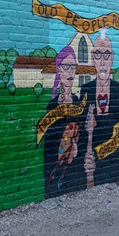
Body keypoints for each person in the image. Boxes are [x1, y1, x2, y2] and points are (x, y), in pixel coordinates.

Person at [79, 32, 119, 187]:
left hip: (115, 157)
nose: (102, 62)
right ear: (93, 58)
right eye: (98, 55)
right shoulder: (86, 90)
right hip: (93, 157)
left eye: (106, 55)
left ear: (112, 58)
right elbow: (82, 129)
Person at [42, 46, 85, 197]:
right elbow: (48, 144)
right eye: (66, 66)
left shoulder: (78, 102)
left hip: (75, 167)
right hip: (55, 167)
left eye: (73, 66)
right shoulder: (52, 106)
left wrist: (75, 148)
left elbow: (82, 134)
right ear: (59, 70)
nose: (70, 71)